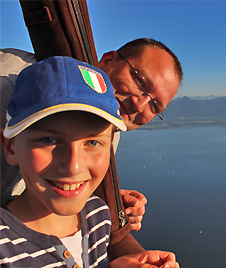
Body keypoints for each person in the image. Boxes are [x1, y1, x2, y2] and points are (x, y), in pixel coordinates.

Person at [0, 38, 183, 258]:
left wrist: (92, 195)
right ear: (107, 61)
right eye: (140, 80)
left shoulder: (111, 132)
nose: (139, 105)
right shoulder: (13, 82)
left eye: (155, 106)